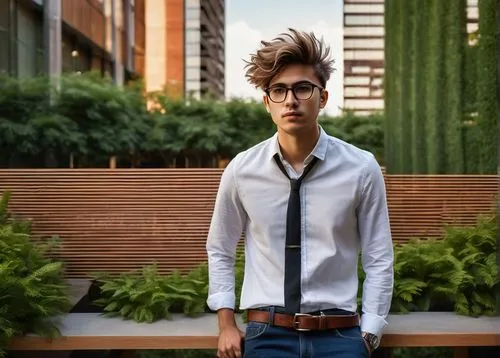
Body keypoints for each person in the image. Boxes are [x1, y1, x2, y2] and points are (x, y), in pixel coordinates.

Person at [206, 28, 394, 358]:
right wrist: (226, 323)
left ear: (322, 97)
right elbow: (220, 247)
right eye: (279, 90)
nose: (290, 100)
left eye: (302, 88)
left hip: (341, 333)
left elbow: (379, 255)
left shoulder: (362, 168)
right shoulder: (241, 170)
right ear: (267, 102)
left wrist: (370, 333)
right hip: (267, 333)